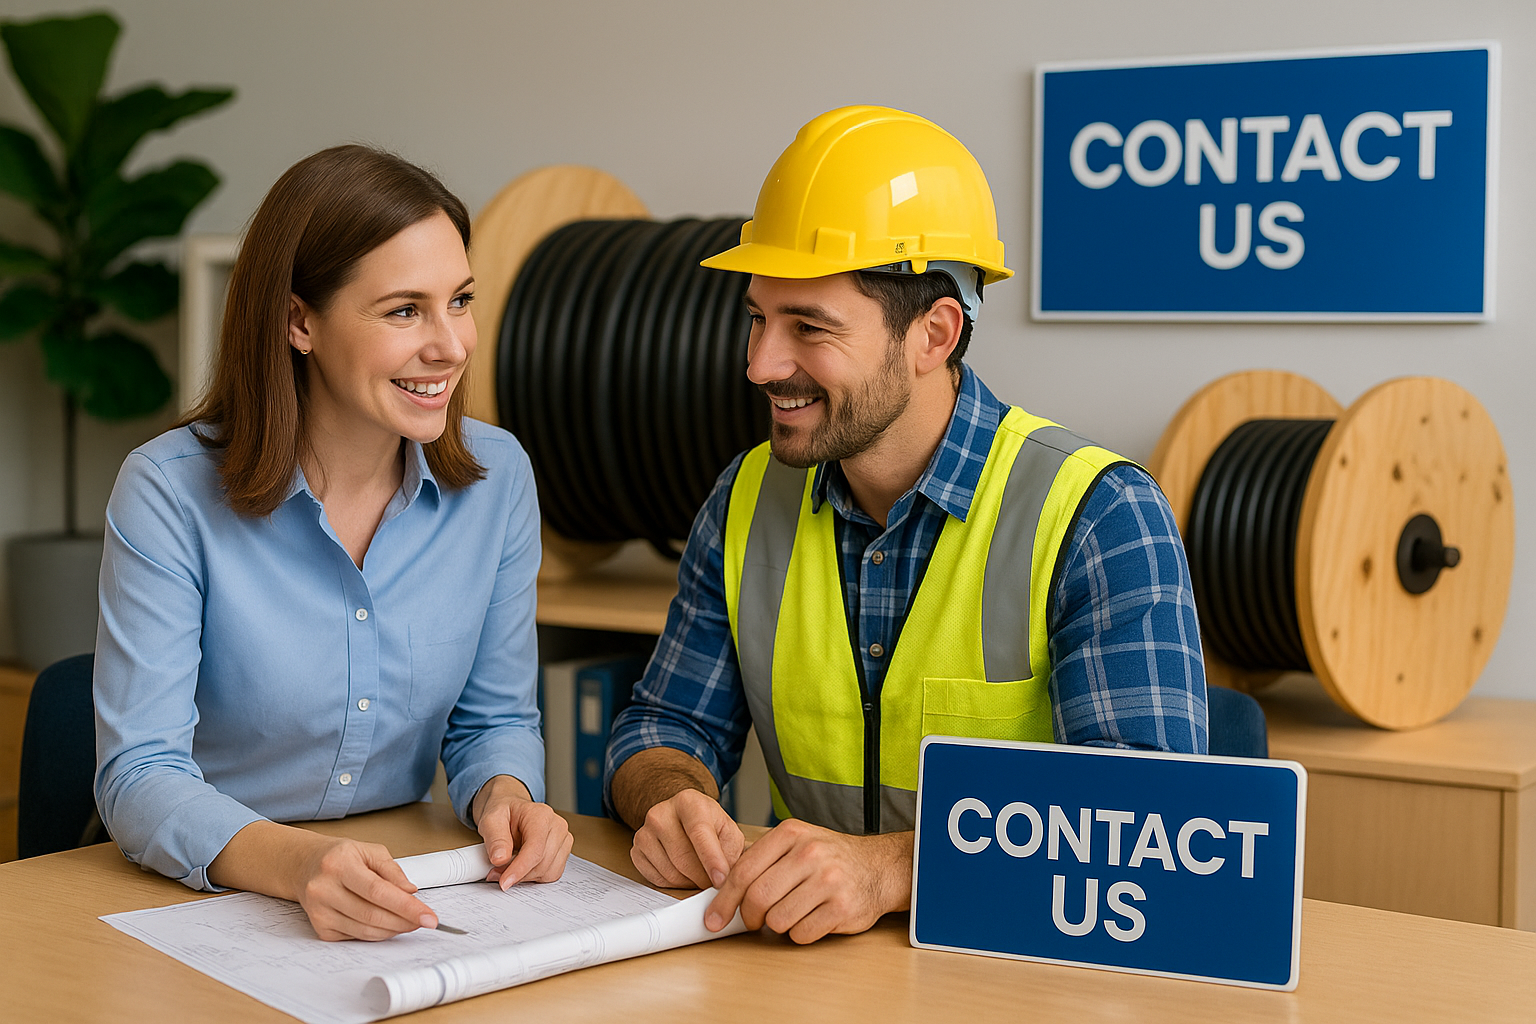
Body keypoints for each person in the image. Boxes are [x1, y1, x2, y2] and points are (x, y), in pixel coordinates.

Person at [603, 106, 1207, 944]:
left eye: (808, 328)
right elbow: (664, 725)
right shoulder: (744, 499)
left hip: (1025, 966)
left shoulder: (1097, 515)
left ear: (934, 334)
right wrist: (670, 794)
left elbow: (1152, 825)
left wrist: (889, 870)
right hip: (806, 970)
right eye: (758, 318)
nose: (760, 365)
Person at [93, 145, 571, 941]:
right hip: (195, 903)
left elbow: (492, 721)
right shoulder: (166, 492)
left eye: (460, 300)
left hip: (403, 893)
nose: (450, 345)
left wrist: (508, 799)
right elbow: (139, 776)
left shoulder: (499, 479)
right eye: (404, 311)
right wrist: (299, 865)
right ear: (298, 321)